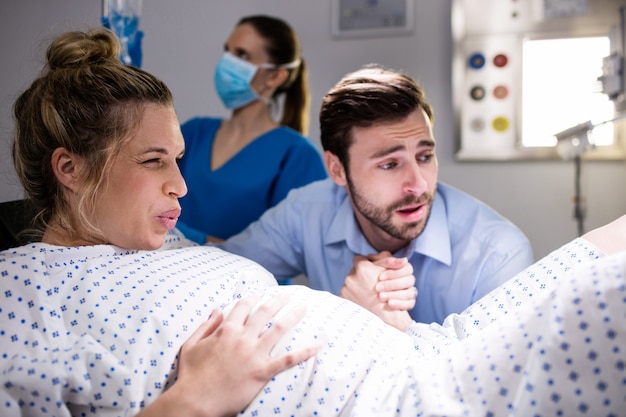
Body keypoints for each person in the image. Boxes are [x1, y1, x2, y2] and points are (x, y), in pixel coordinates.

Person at [3, 28, 625, 417]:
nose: (182, 185)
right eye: (153, 161)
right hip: (396, 402)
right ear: (71, 169)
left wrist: (369, 324)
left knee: (608, 244)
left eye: (178, 160)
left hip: (424, 351)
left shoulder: (168, 246)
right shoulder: (23, 288)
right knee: (610, 294)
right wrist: (194, 398)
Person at [219, 64, 535, 328]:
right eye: (389, 164)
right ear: (337, 169)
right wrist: (327, 313)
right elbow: (221, 281)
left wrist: (388, 327)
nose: (419, 185)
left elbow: (496, 390)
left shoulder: (498, 255)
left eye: (425, 157)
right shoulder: (306, 211)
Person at [176, 15, 327, 246]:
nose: (227, 62)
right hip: (170, 272)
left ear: (276, 76)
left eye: (242, 55)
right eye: (228, 51)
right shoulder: (194, 133)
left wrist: (192, 242)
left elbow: (288, 248)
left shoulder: (296, 156)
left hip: (248, 281)